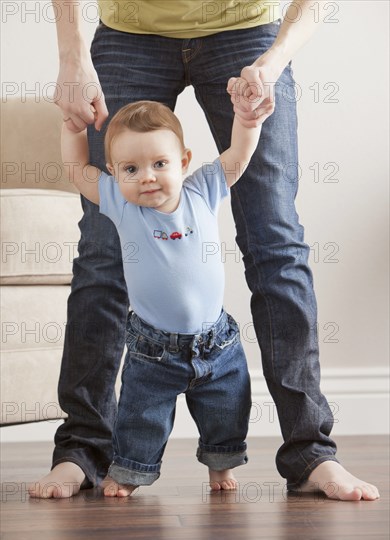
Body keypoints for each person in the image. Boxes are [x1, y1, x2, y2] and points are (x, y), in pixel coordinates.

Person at [29, 0, 379, 501]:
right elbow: (80, 171)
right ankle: (81, 451)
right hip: (130, 32)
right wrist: (70, 54)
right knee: (102, 253)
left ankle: (311, 453)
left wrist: (274, 60)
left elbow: (237, 156)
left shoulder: (204, 181)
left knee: (275, 242)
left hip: (246, 30)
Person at [59, 98, 267, 496]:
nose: (147, 178)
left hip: (216, 341)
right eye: (131, 169)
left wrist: (246, 119)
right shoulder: (121, 203)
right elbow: (75, 170)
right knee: (141, 415)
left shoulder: (203, 189)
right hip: (153, 348)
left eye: (159, 164)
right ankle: (129, 473)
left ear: (184, 161)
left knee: (227, 409)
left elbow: (239, 153)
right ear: (114, 173)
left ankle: (221, 467)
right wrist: (72, 130)